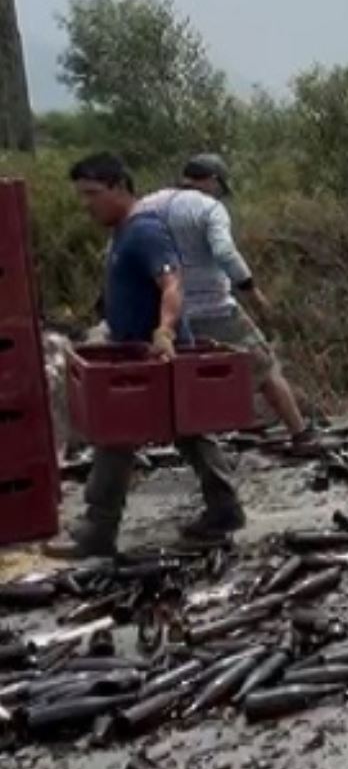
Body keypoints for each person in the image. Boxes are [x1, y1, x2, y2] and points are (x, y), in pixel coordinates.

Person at [55, 153, 243, 557]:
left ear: (119, 187)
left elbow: (173, 283)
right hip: (133, 352)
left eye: (93, 194)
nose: (87, 204)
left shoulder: (144, 231)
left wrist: (164, 331)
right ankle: (224, 508)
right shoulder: (123, 232)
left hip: (155, 355)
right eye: (81, 195)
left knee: (117, 435)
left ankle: (98, 530)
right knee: (189, 433)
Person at [136, 153, 318, 448]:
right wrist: (252, 292)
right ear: (212, 181)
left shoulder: (147, 205)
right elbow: (224, 252)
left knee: (175, 379)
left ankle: (161, 443)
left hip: (165, 314)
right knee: (264, 367)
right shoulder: (209, 208)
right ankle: (300, 433)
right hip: (214, 308)